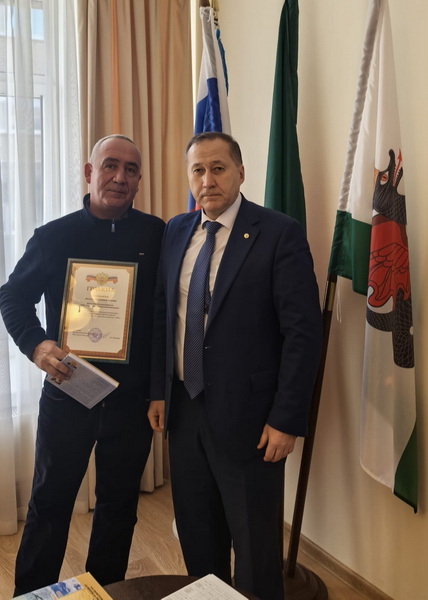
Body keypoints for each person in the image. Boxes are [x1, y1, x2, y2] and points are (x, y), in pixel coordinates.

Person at [148, 132, 323, 600]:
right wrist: (158, 391)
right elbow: (164, 317)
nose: (207, 180)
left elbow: (303, 334)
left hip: (252, 422)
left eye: (218, 168)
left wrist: (286, 419)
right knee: (198, 536)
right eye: (198, 170)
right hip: (185, 412)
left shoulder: (278, 233)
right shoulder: (175, 231)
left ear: (241, 173)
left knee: (255, 550)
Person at [0, 135, 165, 596]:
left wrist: (157, 391)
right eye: (109, 165)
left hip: (131, 402)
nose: (120, 177)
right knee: (49, 505)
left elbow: (162, 319)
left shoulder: (157, 235)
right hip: (68, 391)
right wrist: (37, 346)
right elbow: (13, 297)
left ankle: (105, 592)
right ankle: (31, 595)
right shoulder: (53, 237)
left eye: (131, 169)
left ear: (139, 180)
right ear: (89, 173)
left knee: (119, 508)